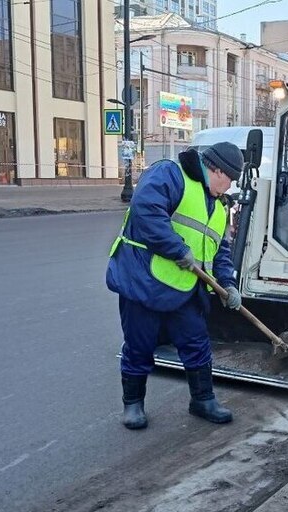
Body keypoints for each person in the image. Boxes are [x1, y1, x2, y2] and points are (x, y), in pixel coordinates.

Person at [106, 142, 245, 430]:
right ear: (216, 169)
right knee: (139, 344)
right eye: (229, 179)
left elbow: (219, 252)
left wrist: (228, 285)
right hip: (145, 281)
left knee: (196, 344)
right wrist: (176, 248)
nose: (229, 187)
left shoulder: (219, 208)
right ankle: (133, 405)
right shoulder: (170, 174)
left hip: (186, 290)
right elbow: (146, 210)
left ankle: (202, 400)